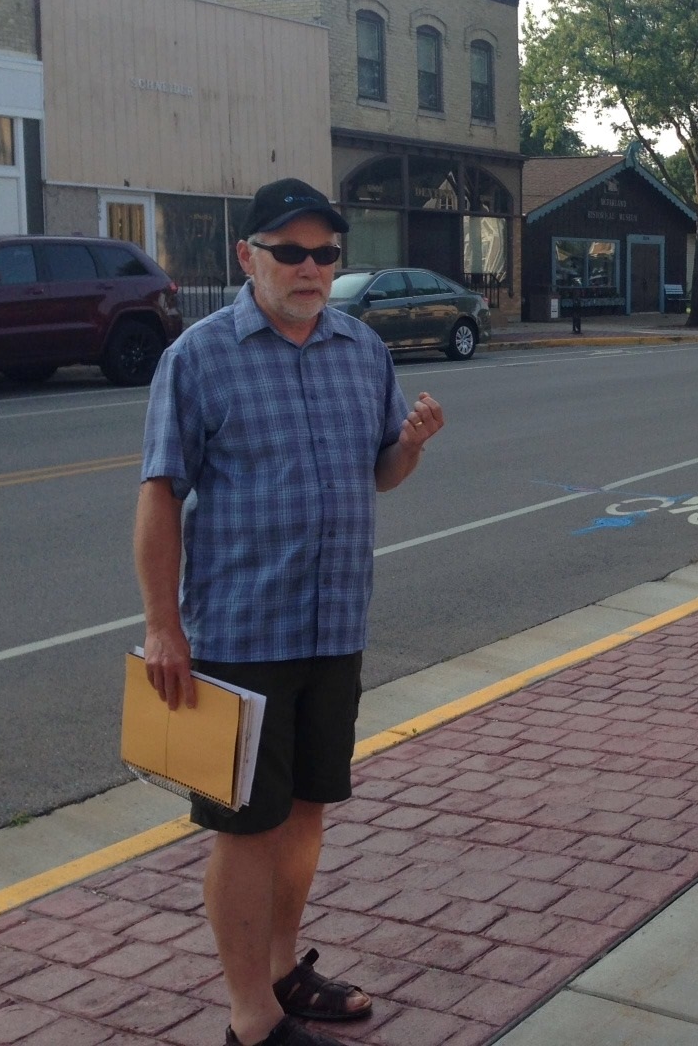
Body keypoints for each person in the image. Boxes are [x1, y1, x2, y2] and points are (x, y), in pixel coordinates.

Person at [135, 177, 445, 1046]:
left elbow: (379, 471)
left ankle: (279, 970)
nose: (311, 269)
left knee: (306, 811)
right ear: (249, 258)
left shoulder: (362, 350)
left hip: (335, 625)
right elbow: (160, 495)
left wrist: (409, 448)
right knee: (245, 827)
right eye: (291, 253)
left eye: (325, 254)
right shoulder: (198, 356)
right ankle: (250, 1020)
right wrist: (165, 626)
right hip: (240, 633)